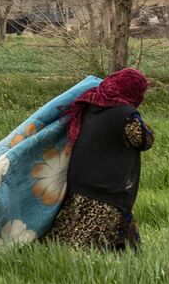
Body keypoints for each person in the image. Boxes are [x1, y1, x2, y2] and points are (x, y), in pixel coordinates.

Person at [43, 68, 155, 251]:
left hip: (80, 181)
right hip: (105, 189)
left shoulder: (90, 104)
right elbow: (144, 140)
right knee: (83, 246)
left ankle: (132, 260)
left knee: (73, 232)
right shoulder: (126, 115)